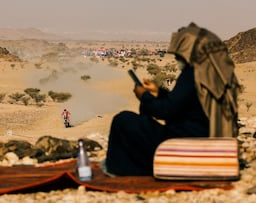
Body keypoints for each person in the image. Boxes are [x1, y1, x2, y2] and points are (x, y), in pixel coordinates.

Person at [102, 23, 240, 176]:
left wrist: (143, 95)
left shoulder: (193, 74)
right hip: (205, 138)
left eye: (179, 55)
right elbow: (184, 104)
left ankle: (120, 168)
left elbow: (166, 111)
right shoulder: (218, 74)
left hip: (185, 141)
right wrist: (158, 92)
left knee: (123, 120)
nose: (177, 58)